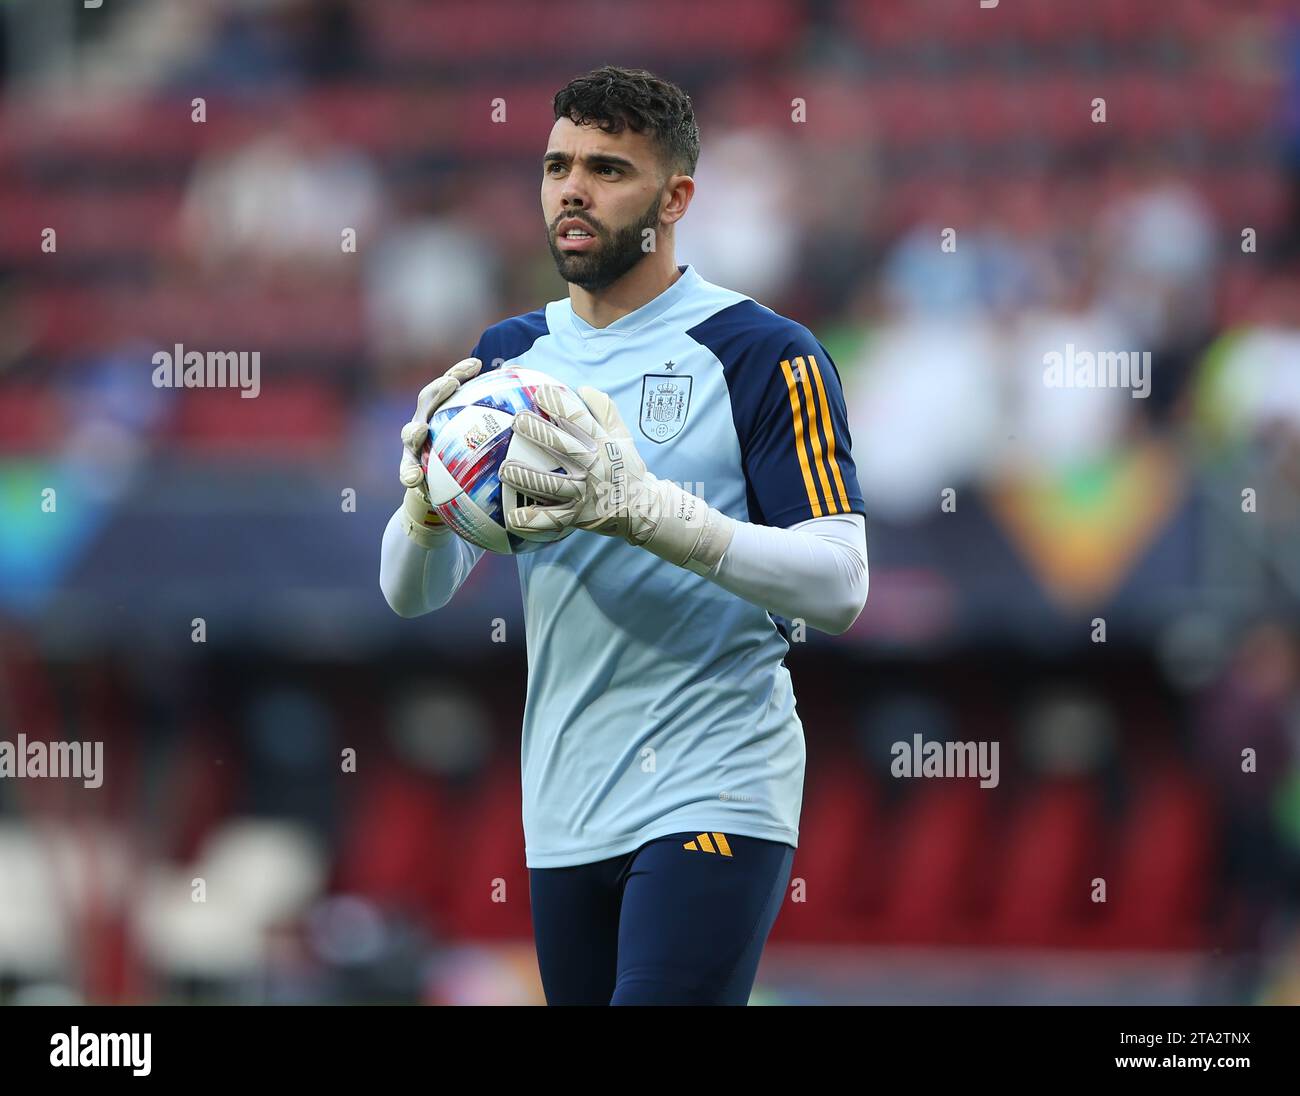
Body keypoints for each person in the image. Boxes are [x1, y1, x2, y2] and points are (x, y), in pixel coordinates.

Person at [379, 66, 868, 1005]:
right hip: (565, 800)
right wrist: (423, 508)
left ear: (675, 198)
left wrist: (650, 512)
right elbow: (412, 591)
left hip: (715, 778)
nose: (572, 188)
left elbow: (841, 586)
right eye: (558, 165)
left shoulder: (765, 354)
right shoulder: (508, 361)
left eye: (608, 169)